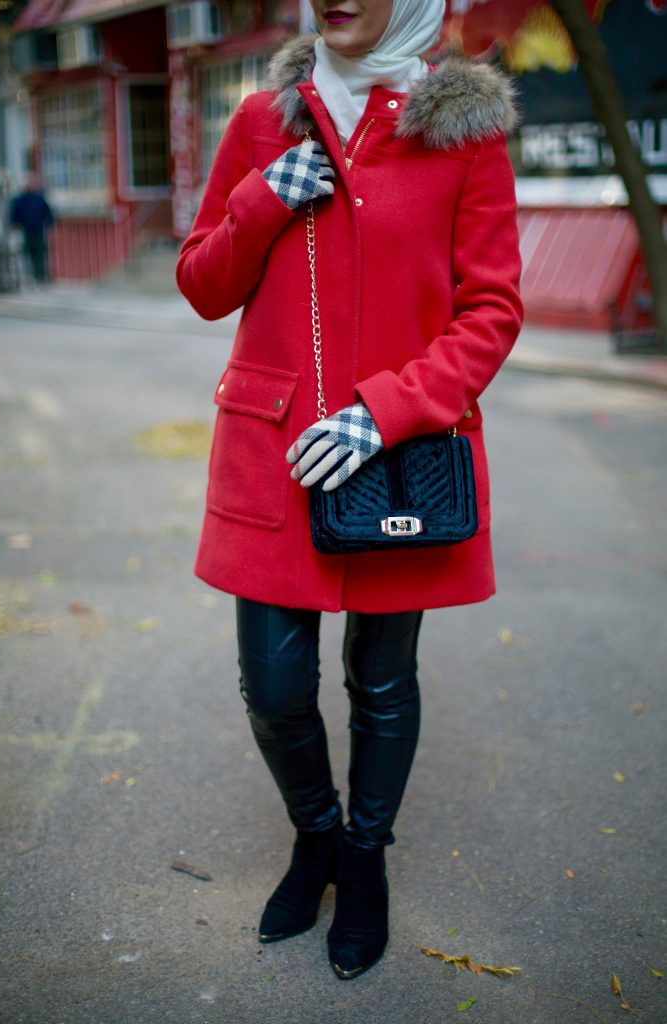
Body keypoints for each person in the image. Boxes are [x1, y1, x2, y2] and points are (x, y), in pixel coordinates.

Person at [176, 0, 523, 980]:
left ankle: (362, 862)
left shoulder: (461, 133)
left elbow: (490, 308)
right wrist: (262, 198)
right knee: (276, 685)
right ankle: (315, 837)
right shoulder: (262, 120)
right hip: (274, 449)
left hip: (396, 455)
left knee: (380, 679)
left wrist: (385, 410)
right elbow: (202, 281)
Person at [9, 174, 54, 283]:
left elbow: (47, 213)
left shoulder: (38, 199)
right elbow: (14, 215)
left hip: (38, 230)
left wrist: (49, 225)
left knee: (39, 252)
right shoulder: (18, 200)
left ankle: (40, 274)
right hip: (25, 231)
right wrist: (14, 226)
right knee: (27, 253)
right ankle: (30, 274)